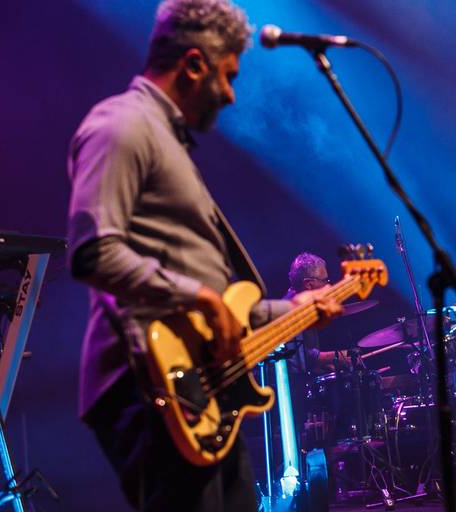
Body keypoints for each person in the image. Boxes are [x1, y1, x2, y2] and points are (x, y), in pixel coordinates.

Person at [66, 1, 341, 510]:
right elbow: (92, 251)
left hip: (201, 387)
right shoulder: (121, 125)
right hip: (151, 383)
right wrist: (202, 298)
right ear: (194, 64)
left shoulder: (170, 144)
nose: (232, 94)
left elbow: (219, 308)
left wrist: (294, 310)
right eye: (228, 76)